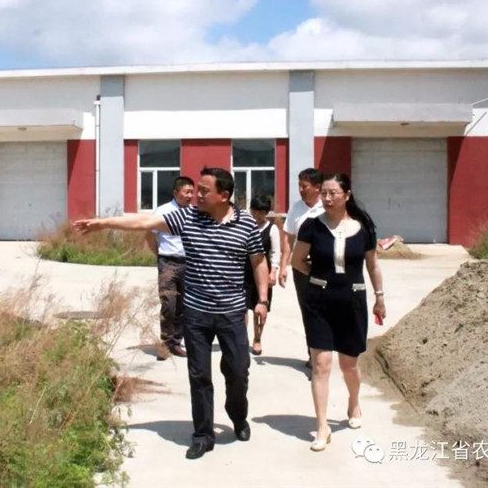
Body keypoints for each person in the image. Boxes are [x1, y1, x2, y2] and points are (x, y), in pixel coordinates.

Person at [73, 167, 269, 460]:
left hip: (231, 314)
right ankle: (202, 435)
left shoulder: (246, 224)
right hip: (197, 314)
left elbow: (258, 261)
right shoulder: (188, 218)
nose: (196, 195)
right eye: (196, 189)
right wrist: (103, 223)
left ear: (223, 195)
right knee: (199, 375)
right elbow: (144, 221)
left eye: (204, 190)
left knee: (238, 371)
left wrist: (262, 300)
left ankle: (237, 415)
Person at [290, 173, 386, 452]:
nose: (328, 198)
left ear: (347, 195)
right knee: (321, 364)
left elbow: (373, 265)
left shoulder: (363, 227)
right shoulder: (311, 226)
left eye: (333, 193)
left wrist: (379, 297)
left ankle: (353, 402)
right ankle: (322, 426)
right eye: (324, 193)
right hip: (319, 302)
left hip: (352, 300)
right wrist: (319, 278)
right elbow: (297, 260)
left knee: (348, 365)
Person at [278, 168, 325, 367]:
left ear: (317, 187)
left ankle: (324, 352)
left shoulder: (328, 206)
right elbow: (288, 240)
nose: (301, 190)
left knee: (326, 311)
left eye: (304, 186)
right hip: (301, 268)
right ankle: (314, 354)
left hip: (325, 267)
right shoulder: (296, 208)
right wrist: (283, 266)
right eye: (299, 186)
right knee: (309, 311)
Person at [144, 176, 195, 360]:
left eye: (192, 192)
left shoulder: (194, 213)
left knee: (184, 305)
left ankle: (176, 342)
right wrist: (158, 254)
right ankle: (165, 344)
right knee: (168, 304)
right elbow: (149, 235)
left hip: (188, 263)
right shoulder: (163, 211)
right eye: (186, 192)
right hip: (168, 263)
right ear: (176, 192)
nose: (190, 196)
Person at [243, 195, 280, 356]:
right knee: (242, 307)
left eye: (262, 213)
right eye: (255, 212)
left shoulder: (272, 229)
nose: (258, 215)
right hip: (244, 271)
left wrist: (273, 272)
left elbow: (275, 252)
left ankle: (257, 338)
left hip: (263, 272)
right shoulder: (245, 226)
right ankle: (241, 338)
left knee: (260, 307)